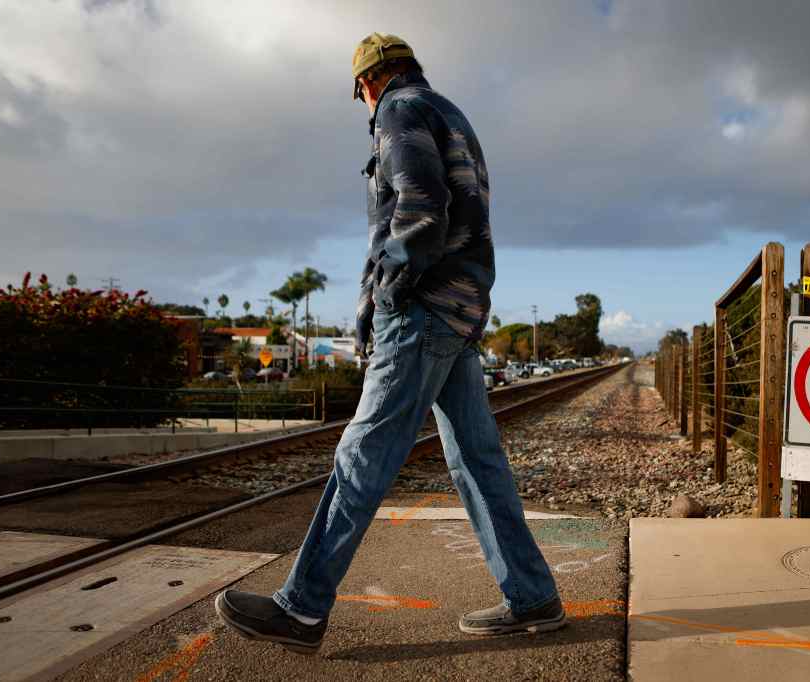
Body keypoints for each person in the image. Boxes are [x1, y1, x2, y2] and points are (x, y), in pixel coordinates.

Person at [215, 32, 564, 654]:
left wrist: (386, 293)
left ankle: (301, 607)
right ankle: (533, 595)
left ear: (367, 85)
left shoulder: (399, 113)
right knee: (476, 461)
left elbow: (422, 210)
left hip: (424, 309)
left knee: (363, 454)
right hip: (459, 310)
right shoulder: (451, 114)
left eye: (361, 97)